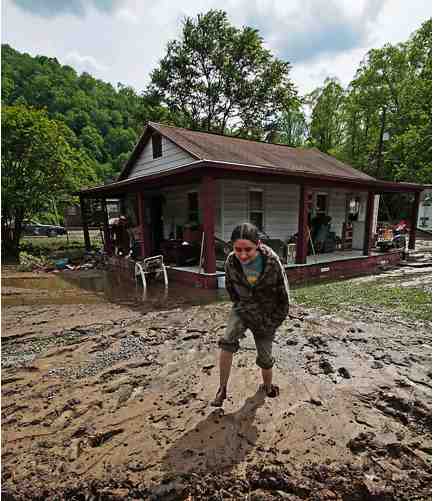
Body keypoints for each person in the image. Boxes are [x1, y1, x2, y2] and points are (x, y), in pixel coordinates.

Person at [211, 222, 290, 407]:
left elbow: (284, 299)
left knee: (265, 358)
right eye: (238, 249)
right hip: (243, 307)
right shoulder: (231, 261)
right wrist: (239, 307)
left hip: (266, 315)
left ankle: (268, 387)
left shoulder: (272, 262)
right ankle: (222, 389)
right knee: (227, 340)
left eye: (248, 249)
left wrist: (272, 323)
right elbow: (231, 288)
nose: (243, 255)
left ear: (259, 244)